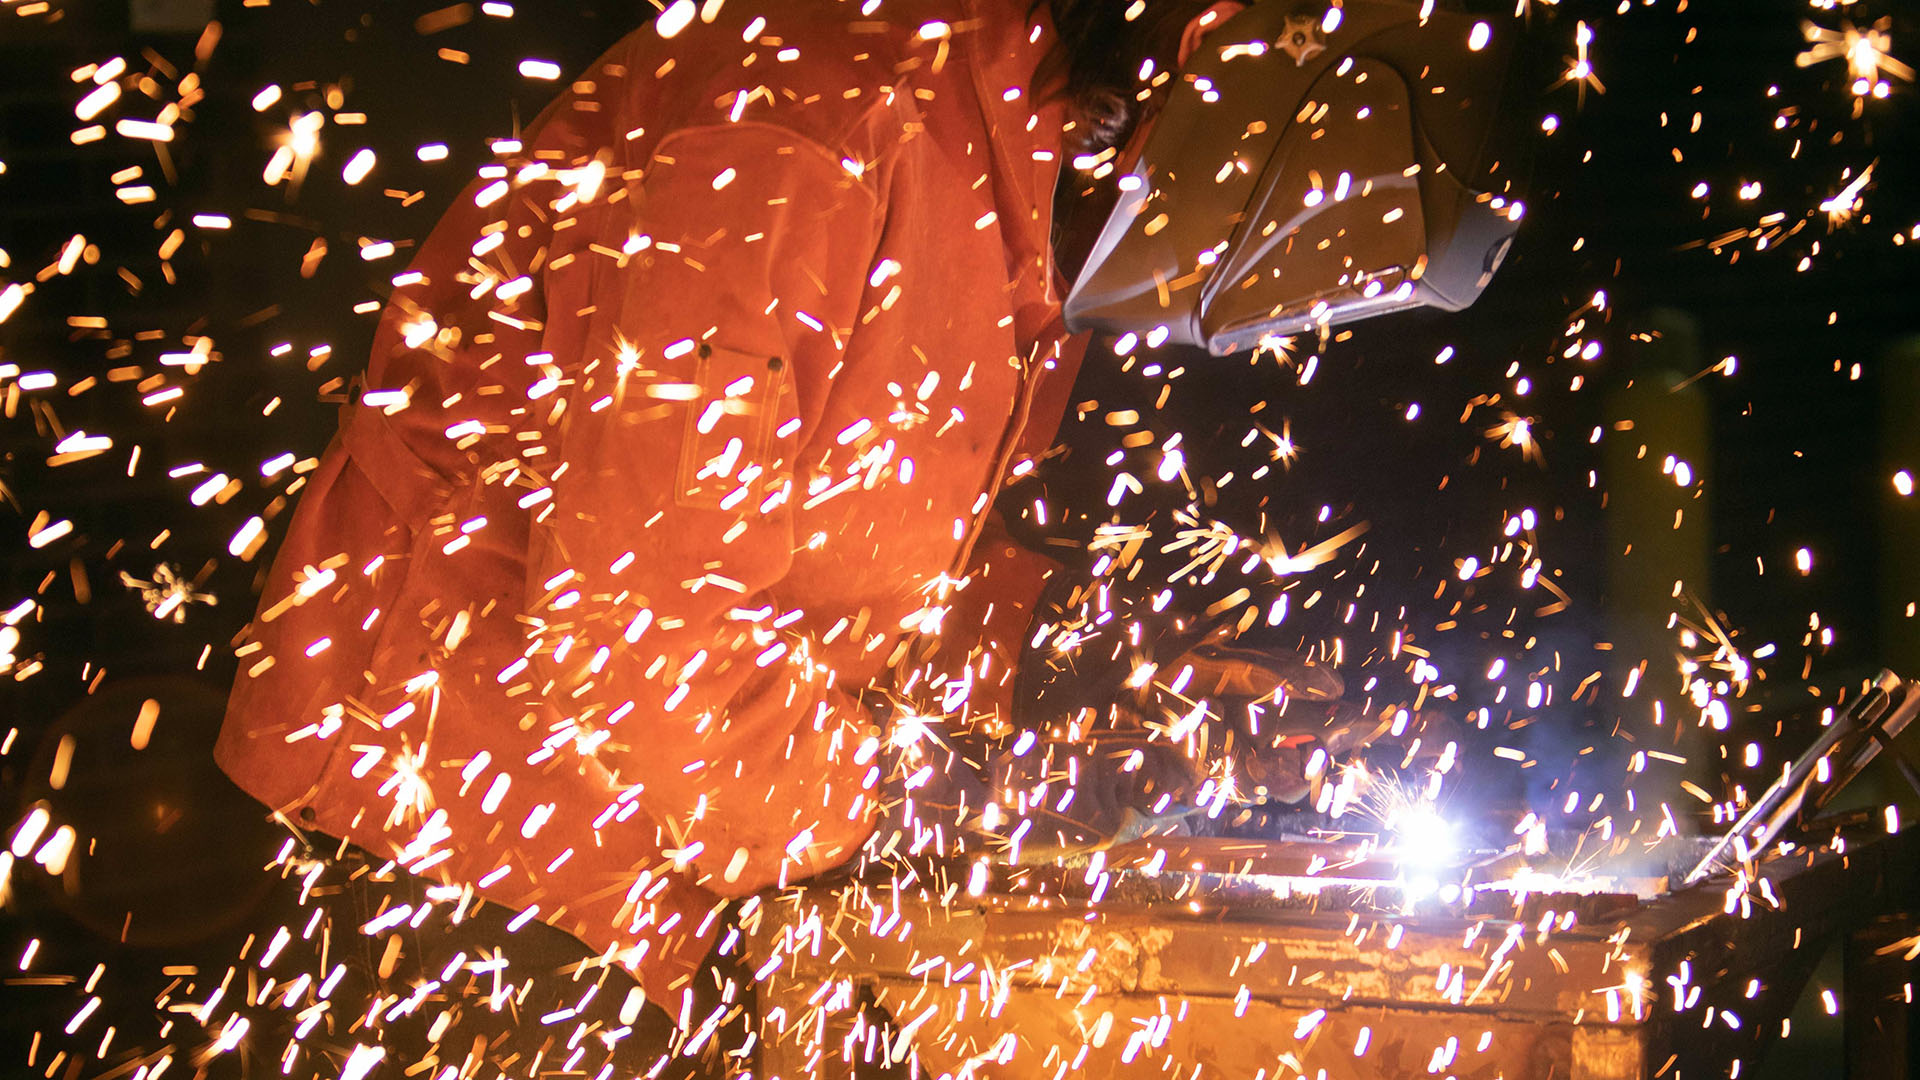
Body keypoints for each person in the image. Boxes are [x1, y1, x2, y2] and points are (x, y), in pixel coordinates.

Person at [212, 0, 1510, 1068]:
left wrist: (1091, 678)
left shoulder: (1012, 168)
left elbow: (852, 568)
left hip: (654, 883)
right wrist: (943, 801)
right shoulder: (803, 125)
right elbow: (643, 634)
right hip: (452, 875)